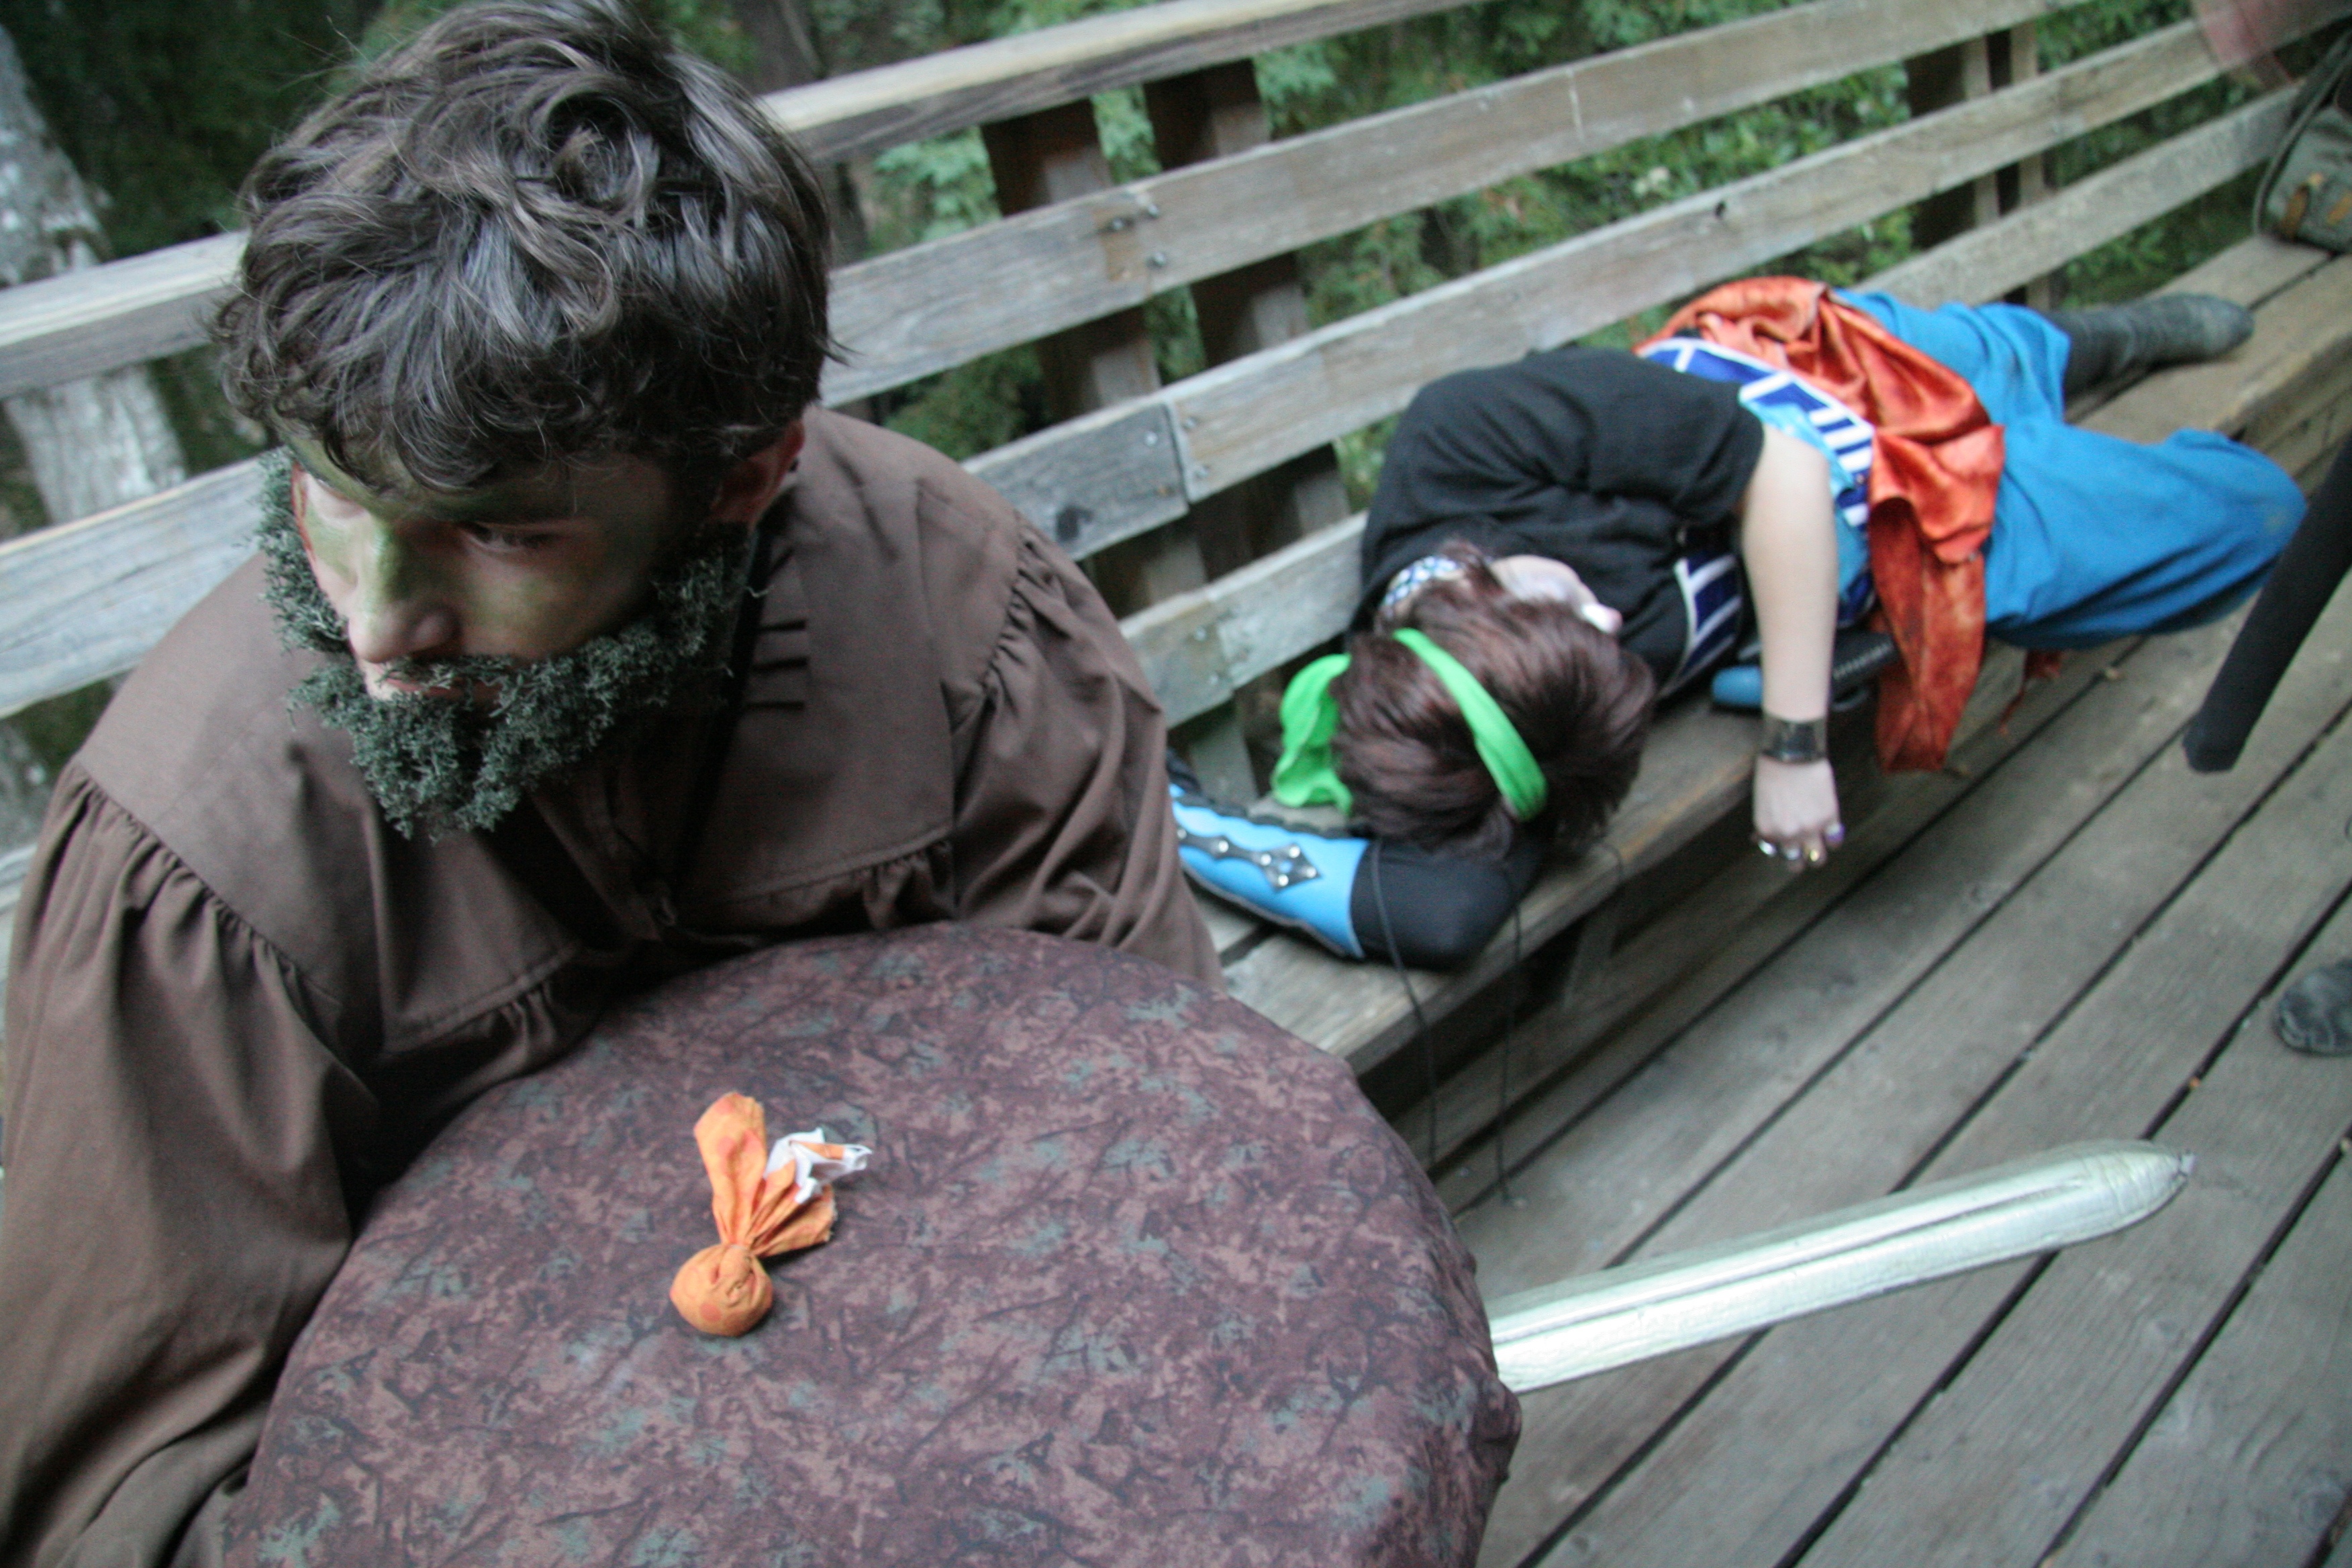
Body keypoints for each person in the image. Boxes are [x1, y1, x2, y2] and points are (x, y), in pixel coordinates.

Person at [0, 4, 1216, 1561]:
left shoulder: (952, 612)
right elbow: (136, 1493)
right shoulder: (204, 862)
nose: (377, 632)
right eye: (334, 492)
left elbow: (1142, 1102)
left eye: (497, 532)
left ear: (742, 479)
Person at [1175, 281, 2304, 965]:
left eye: (1576, 612)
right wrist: (1178, 823)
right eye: (1610, 642)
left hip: (1811, 388)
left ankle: (2097, 343)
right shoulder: (1485, 752)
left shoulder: (1464, 440)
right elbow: (1446, 915)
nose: (1612, 613)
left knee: (1992, 357)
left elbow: (1786, 475)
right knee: (2260, 519)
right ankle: (2056, 427)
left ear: (1475, 587)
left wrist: (1796, 744)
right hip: (1900, 536)